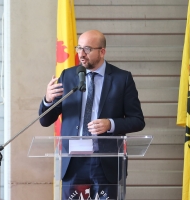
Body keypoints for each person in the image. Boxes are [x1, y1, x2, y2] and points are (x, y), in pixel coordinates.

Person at [39, 30, 145, 200]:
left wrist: (111, 124)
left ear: (102, 51)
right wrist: (48, 100)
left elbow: (138, 121)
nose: (81, 54)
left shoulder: (122, 79)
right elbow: (45, 120)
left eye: (87, 49)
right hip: (73, 161)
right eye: (79, 48)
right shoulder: (68, 76)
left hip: (105, 162)